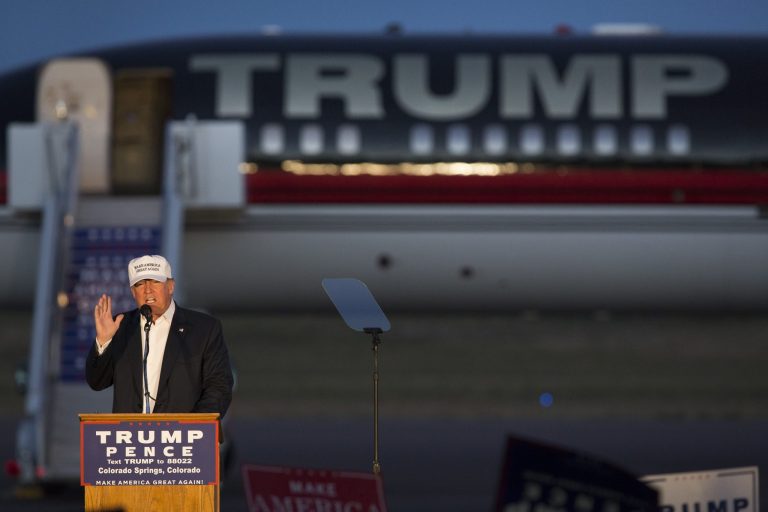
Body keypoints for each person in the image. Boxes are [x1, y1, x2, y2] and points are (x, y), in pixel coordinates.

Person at [86, 254, 234, 418]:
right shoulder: (119, 326)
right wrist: (104, 341)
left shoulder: (204, 328)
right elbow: (97, 382)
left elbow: (219, 386)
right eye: (140, 284)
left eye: (155, 281)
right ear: (133, 292)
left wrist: (195, 425)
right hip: (128, 439)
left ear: (170, 286)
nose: (147, 289)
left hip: (182, 439)